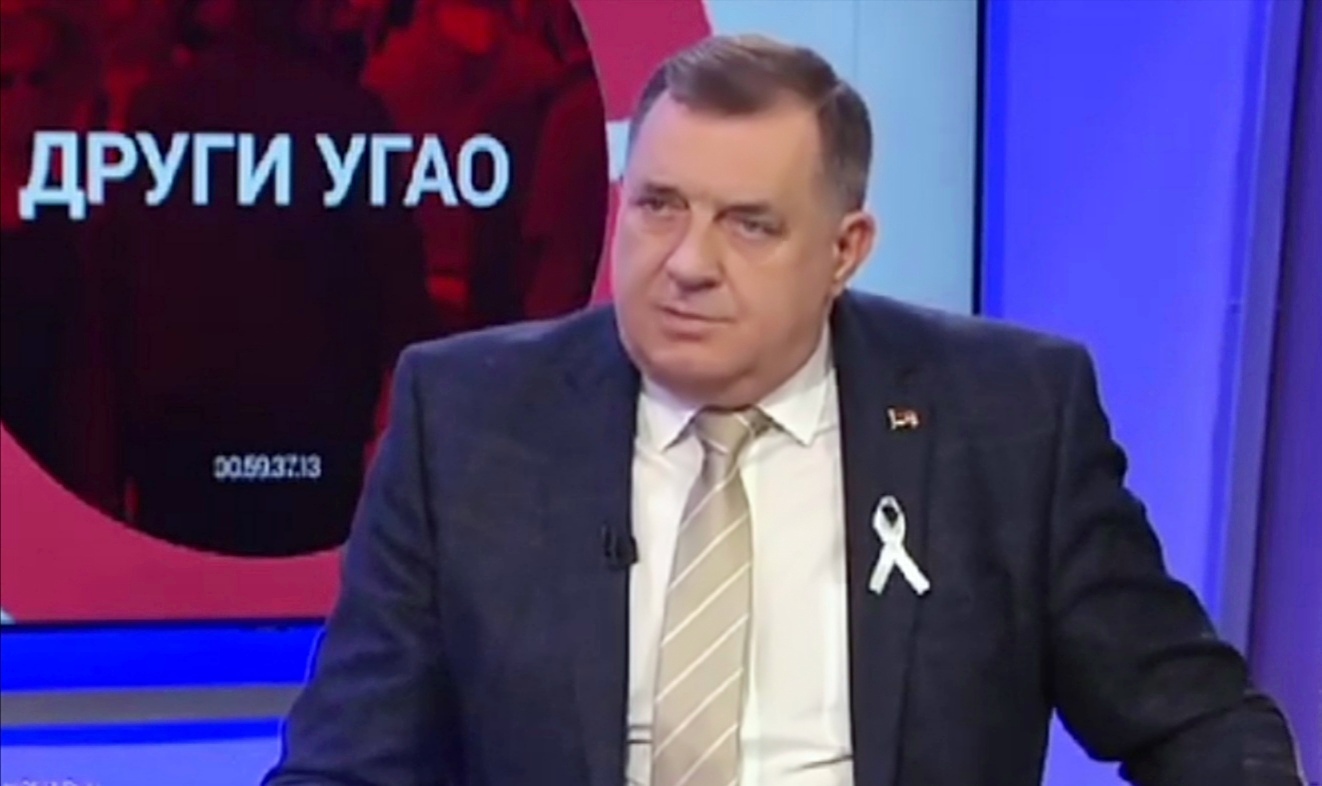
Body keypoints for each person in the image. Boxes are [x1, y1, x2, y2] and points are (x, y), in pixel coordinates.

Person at [264, 35, 1303, 786]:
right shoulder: (468, 420)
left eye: (748, 225)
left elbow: (1200, 724)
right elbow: (347, 762)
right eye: (659, 207)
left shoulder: (1007, 421)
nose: (686, 263)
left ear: (845, 250)